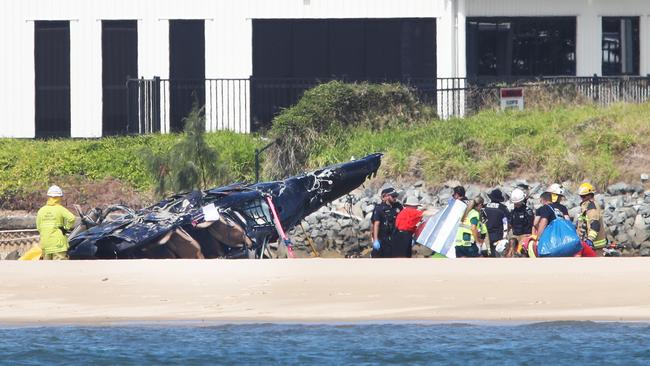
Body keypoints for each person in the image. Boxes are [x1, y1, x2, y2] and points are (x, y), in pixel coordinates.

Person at [36, 185, 76, 260]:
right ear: (59, 197)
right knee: (59, 268)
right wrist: (65, 228)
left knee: (47, 268)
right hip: (58, 244)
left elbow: (38, 227)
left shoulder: (41, 210)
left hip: (45, 243)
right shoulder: (60, 209)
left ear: (48, 197)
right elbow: (72, 218)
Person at [370, 187, 403, 258]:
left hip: (394, 237)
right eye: (393, 196)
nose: (395, 198)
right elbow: (376, 224)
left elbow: (404, 219)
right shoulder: (379, 208)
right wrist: (375, 240)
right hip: (382, 238)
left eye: (396, 196)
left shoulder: (398, 206)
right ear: (387, 196)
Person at [576, 182, 608, 255]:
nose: (582, 198)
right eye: (581, 196)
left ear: (590, 195)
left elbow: (595, 225)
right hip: (588, 246)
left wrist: (589, 240)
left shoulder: (592, 207)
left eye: (584, 196)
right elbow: (583, 222)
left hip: (595, 246)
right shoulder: (585, 207)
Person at [482, 189, 510, 257]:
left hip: (485, 235)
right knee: (496, 255)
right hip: (497, 236)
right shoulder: (503, 208)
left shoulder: (484, 206)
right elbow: (507, 223)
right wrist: (505, 235)